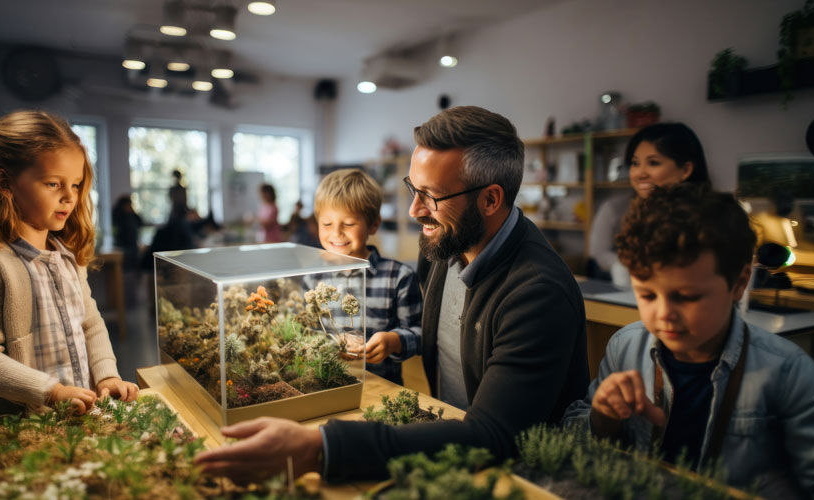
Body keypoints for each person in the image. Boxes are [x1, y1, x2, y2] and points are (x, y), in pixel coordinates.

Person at [194, 106, 589, 482]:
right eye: (412, 189)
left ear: (490, 200)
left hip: (520, 476)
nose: (415, 210)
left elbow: (494, 437)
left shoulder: (537, 293)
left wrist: (321, 448)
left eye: (431, 195)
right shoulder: (444, 245)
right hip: (446, 446)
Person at [563, 183, 814, 499]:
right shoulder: (625, 347)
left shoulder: (787, 371)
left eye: (687, 297)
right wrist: (602, 419)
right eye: (647, 294)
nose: (664, 314)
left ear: (739, 283)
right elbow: (571, 437)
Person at [0, 110, 138, 420]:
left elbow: (90, 325)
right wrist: (51, 392)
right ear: (4, 183)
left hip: (70, 420)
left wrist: (107, 375)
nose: (69, 197)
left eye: (77, 185)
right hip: (9, 427)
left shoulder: (66, 256)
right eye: (54, 184)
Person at [305, 168, 422, 385]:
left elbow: (420, 332)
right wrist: (327, 344)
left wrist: (394, 341)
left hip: (382, 388)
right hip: (327, 386)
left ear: (374, 225)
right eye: (327, 224)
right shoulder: (312, 278)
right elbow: (305, 331)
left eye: (349, 224)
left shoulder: (399, 277)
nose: (336, 233)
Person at [588, 122, 711, 281]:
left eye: (653, 163)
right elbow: (598, 253)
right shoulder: (626, 211)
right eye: (635, 163)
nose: (640, 173)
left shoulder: (708, 217)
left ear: (685, 170)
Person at [111, 194, 143, 270]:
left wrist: (133, 211)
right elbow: (117, 232)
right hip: (123, 247)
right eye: (128, 204)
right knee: (125, 268)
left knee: (134, 267)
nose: (129, 206)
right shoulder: (118, 216)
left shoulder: (131, 215)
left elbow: (141, 223)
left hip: (133, 246)